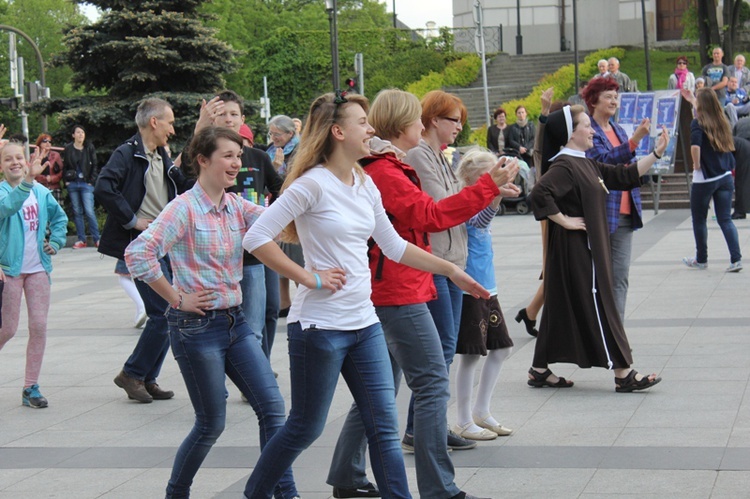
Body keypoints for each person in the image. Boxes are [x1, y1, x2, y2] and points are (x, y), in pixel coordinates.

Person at [241, 91, 491, 499]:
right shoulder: (311, 185)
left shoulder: (363, 181)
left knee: (384, 429)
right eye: (362, 122)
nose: (371, 128)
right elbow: (257, 237)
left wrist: (451, 271)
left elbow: (393, 246)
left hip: (366, 323)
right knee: (305, 426)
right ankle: (256, 493)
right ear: (338, 132)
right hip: (320, 328)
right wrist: (310, 278)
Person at [325, 88, 517, 499]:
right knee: (431, 383)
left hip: (402, 285)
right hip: (396, 290)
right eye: (417, 118)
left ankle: (347, 474)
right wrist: (486, 187)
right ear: (404, 124)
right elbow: (430, 216)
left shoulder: (387, 165)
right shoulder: (386, 170)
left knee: (381, 388)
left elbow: (417, 227)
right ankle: (438, 488)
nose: (422, 123)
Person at [124, 126, 298, 499]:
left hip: (235, 323)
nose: (237, 163)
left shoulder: (235, 206)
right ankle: (177, 493)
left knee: (272, 408)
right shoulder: (183, 208)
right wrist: (176, 297)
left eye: (239, 155)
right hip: (195, 329)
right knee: (210, 424)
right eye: (228, 156)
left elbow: (279, 219)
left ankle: (284, 493)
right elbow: (138, 254)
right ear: (203, 160)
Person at [527, 104, 667, 392]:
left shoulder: (584, 161)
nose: (592, 130)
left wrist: (655, 154)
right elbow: (540, 193)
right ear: (571, 133)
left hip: (584, 250)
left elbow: (623, 175)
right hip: (579, 251)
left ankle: (539, 369)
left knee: (559, 305)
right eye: (586, 126)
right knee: (600, 304)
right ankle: (623, 373)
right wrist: (564, 221)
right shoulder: (565, 165)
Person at [403, 90, 482, 452]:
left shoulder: (441, 155)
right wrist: (483, 189)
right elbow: (440, 208)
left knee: (442, 350)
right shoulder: (420, 155)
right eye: (453, 119)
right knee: (439, 351)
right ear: (434, 120)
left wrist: (489, 195)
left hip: (451, 263)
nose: (458, 125)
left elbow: (461, 211)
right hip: (436, 263)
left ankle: (422, 426)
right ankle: (423, 428)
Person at [95, 98, 189, 403]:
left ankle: (147, 377)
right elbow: (104, 186)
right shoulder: (127, 152)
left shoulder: (161, 155)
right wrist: (133, 221)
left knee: (165, 312)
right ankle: (132, 374)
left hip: (162, 243)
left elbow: (182, 184)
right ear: (154, 122)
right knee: (166, 311)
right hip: (140, 246)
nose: (172, 130)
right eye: (170, 122)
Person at [188, 90, 284, 359]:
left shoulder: (257, 157)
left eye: (234, 114)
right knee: (245, 322)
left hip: (259, 246)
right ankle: (251, 370)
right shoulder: (203, 157)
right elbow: (184, 175)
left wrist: (273, 218)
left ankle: (259, 364)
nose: (228, 119)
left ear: (243, 118)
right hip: (226, 250)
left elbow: (282, 190)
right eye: (222, 114)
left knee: (269, 310)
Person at [452, 149, 517, 442]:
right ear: (470, 179)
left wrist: (496, 192)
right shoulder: (466, 204)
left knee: (500, 349)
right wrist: (496, 194)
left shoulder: (478, 201)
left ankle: (481, 410)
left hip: (487, 288)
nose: (494, 179)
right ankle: (464, 419)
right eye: (487, 176)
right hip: (470, 289)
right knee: (470, 356)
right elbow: (481, 220)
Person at [0, 141, 68, 408]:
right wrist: (28, 180)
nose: (15, 162)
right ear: (1, 166)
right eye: (8, 159)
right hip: (9, 272)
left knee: (39, 327)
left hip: (38, 269)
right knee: (7, 329)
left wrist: (58, 241)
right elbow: (8, 208)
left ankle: (31, 387)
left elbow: (60, 218)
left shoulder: (40, 192)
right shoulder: (3, 192)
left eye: (19, 157)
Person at [583, 77, 652, 321]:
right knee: (597, 278)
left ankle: (616, 336)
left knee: (620, 278)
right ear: (594, 100)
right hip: (600, 214)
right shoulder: (588, 129)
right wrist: (634, 142)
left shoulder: (619, 129)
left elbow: (628, 168)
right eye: (608, 96)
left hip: (624, 213)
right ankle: (598, 334)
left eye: (616, 96)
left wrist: (654, 154)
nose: (614, 101)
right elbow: (603, 163)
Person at [681, 88, 743, 272]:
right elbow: (704, 108)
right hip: (724, 175)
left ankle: (701, 259)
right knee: (725, 219)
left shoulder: (697, 123)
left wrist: (696, 165)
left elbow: (695, 147)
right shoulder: (721, 119)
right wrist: (693, 99)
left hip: (705, 178)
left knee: (699, 219)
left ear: (702, 104)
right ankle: (736, 259)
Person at [266, 114, 302, 317]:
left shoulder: (298, 151)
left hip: (293, 210)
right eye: (271, 133)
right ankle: (284, 302)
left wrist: (277, 168)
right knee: (279, 255)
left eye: (277, 134)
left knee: (296, 257)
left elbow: (288, 180)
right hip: (277, 208)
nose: (273, 138)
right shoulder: (271, 150)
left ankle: (304, 298)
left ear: (290, 133)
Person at [62, 125, 100, 249]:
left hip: (86, 183)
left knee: (89, 211)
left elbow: (95, 165)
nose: (80, 134)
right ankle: (81, 239)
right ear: (73, 135)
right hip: (73, 183)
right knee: (77, 212)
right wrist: (66, 181)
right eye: (78, 132)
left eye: (82, 132)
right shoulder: (68, 148)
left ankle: (97, 239)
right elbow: (65, 165)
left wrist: (91, 181)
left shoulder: (89, 148)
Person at [31, 134, 64, 204]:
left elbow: (62, 171)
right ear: (39, 143)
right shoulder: (34, 156)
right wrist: (45, 178)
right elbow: (31, 172)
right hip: (38, 186)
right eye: (45, 141)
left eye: (50, 141)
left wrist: (52, 178)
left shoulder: (56, 155)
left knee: (55, 210)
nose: (48, 143)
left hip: (54, 187)